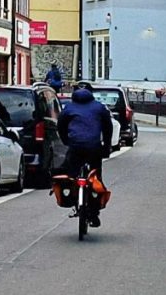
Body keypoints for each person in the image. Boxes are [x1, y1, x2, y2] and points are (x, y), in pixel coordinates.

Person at [59, 83, 113, 227]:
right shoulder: (99, 107)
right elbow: (108, 127)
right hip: (94, 148)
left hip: (75, 147)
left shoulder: (69, 108)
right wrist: (106, 146)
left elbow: (61, 125)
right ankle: (94, 212)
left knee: (71, 174)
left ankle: (71, 196)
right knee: (96, 177)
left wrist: (66, 141)